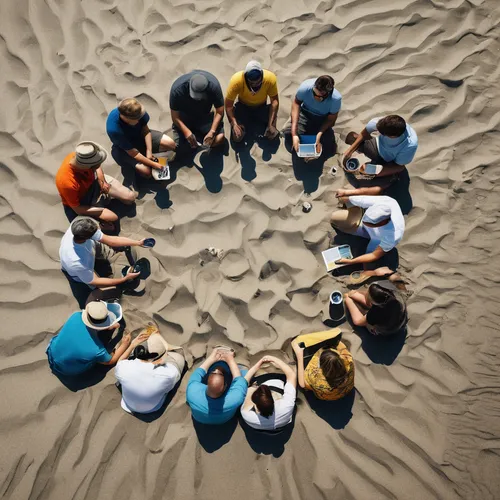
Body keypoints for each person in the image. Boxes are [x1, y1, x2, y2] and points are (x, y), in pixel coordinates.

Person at [59, 216, 145, 305]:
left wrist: (138, 243)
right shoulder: (76, 262)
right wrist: (124, 279)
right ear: (87, 237)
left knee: (111, 248)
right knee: (113, 288)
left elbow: (110, 240)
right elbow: (95, 280)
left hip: (90, 252)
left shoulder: (77, 225)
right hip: (83, 272)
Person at [55, 141, 137, 223]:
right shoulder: (66, 182)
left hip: (93, 183)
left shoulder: (81, 156)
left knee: (130, 198)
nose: (99, 165)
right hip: (82, 200)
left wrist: (102, 181)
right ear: (87, 166)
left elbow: (97, 166)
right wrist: (101, 210)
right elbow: (78, 209)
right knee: (112, 219)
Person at [115, 323, 185, 414]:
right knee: (178, 357)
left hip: (127, 404)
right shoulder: (168, 374)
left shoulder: (123, 367)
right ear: (156, 358)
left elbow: (120, 361)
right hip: (151, 408)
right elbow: (171, 371)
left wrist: (132, 345)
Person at [340, 115, 418, 196]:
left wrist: (375, 171)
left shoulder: (409, 145)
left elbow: (400, 166)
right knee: (352, 137)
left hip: (389, 162)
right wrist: (349, 151)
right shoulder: (382, 122)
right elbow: (364, 133)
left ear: (392, 136)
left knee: (379, 183)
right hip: (376, 146)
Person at [46, 301, 130, 377]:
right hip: (66, 369)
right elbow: (111, 361)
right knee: (107, 356)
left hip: (51, 350)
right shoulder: (96, 349)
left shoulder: (75, 316)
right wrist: (124, 345)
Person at [106, 98, 176, 179]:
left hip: (139, 137)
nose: (140, 119)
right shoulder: (115, 130)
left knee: (170, 144)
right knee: (146, 172)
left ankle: (150, 157)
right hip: (124, 149)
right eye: (138, 119)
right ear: (127, 119)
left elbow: (146, 131)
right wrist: (154, 164)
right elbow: (133, 153)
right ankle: (134, 167)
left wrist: (149, 151)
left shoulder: (138, 111)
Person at [331, 195, 405, 267]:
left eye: (369, 223)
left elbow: (374, 255)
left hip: (378, 240)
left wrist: (351, 261)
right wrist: (345, 197)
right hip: (366, 226)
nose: (364, 221)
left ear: (381, 223)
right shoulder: (387, 201)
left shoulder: (393, 237)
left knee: (368, 262)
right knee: (336, 217)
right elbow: (360, 199)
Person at [186, 347, 248, 425]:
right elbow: (238, 379)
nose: (216, 371)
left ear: (206, 384)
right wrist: (230, 359)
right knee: (244, 372)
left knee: (209, 368)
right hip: (225, 420)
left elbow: (200, 371)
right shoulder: (234, 399)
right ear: (225, 386)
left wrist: (212, 357)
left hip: (199, 419)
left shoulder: (192, 391)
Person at [282, 75, 341, 156]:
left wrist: (319, 134)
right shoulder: (305, 87)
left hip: (322, 119)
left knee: (329, 149)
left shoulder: (335, 99)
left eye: (319, 96)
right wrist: (294, 134)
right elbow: (296, 104)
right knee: (288, 133)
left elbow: (331, 120)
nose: (315, 97)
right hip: (304, 113)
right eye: (314, 93)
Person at [169, 70, 225, 153]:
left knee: (220, 138)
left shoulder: (214, 86)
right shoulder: (177, 90)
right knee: (177, 147)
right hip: (184, 118)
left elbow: (220, 111)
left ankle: (200, 143)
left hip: (204, 116)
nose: (198, 99)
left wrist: (212, 131)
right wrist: (186, 132)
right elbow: (175, 117)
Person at [225, 60, 280, 142]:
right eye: (252, 83)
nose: (255, 85)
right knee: (237, 138)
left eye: (258, 82)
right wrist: (234, 124)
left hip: (261, 107)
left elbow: (274, 101)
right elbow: (228, 105)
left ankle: (269, 125)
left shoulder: (270, 79)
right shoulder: (236, 81)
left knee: (272, 135)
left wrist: (271, 123)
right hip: (243, 107)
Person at [240, 355, 297, 432]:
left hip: (262, 381)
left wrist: (258, 365)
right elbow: (291, 376)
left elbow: (243, 383)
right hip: (277, 383)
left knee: (248, 389)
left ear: (255, 406)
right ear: (272, 400)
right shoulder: (286, 406)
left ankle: (254, 387)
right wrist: (274, 359)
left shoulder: (247, 414)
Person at [292, 336, 354, 401]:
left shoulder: (316, 378)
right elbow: (340, 345)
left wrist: (299, 355)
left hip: (325, 396)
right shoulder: (349, 363)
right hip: (346, 390)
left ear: (321, 367)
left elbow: (302, 384)